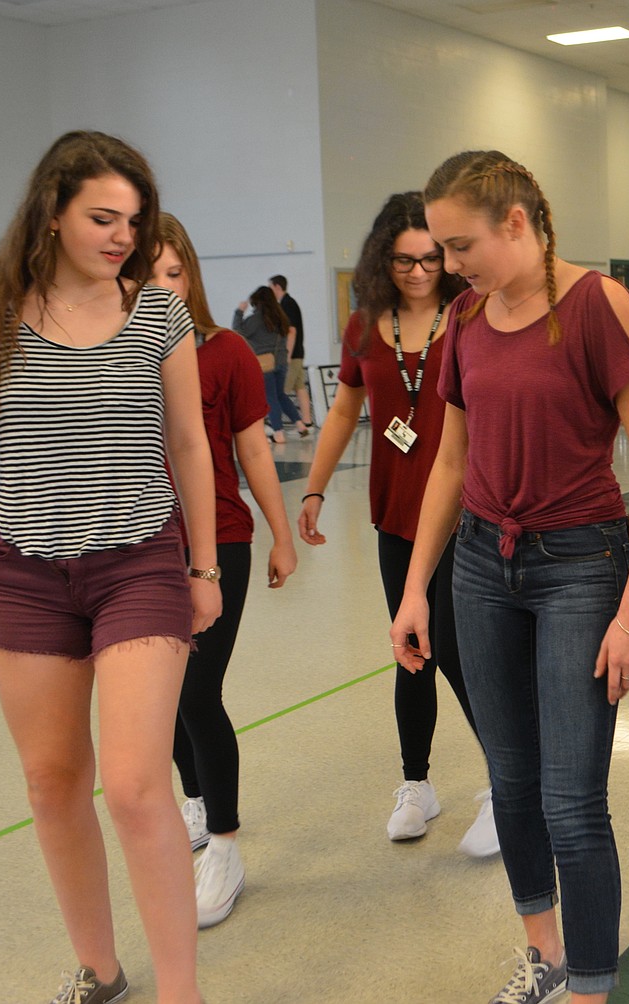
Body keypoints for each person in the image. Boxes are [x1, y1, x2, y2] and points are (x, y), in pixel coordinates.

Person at [0, 131, 221, 1004]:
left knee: (138, 786)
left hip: (139, 566)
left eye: (132, 219)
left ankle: (180, 993)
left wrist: (205, 566)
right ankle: (102, 969)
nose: (122, 235)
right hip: (29, 575)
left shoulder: (159, 312)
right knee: (52, 783)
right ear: (52, 214)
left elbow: (189, 443)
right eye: (101, 218)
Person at [391, 150, 629, 1003]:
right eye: (440, 249)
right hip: (482, 566)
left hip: (579, 567)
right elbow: (448, 464)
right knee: (511, 781)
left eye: (460, 244)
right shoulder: (467, 320)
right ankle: (544, 956)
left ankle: (591, 989)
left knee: (572, 801)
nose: (449, 266)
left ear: (516, 222)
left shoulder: (598, 306)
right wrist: (417, 588)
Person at [298, 192, 499, 856]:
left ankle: (508, 784)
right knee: (411, 650)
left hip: (466, 514)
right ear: (383, 259)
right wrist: (316, 490)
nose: (417, 272)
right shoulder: (365, 327)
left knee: (460, 651)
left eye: (429, 258)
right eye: (403, 260)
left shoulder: (470, 314)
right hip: (395, 518)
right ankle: (417, 784)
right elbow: (342, 413)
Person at [150, 213, 298, 928]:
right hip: (140, 551)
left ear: (192, 276)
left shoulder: (226, 351)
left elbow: (254, 451)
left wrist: (280, 535)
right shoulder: (116, 354)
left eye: (172, 273)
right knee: (166, 697)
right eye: (143, 273)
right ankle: (198, 802)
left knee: (199, 690)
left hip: (219, 546)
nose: (159, 287)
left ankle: (228, 846)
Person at [233, 286, 309, 443]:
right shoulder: (280, 317)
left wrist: (239, 311)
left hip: (264, 363)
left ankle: (278, 433)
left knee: (271, 398)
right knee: (281, 395)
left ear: (258, 302)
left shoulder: (255, 319)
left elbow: (238, 331)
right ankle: (300, 424)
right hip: (281, 362)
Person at [269, 274, 313, 427]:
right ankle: (307, 421)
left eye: (271, 288)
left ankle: (278, 424)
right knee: (299, 387)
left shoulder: (287, 304)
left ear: (277, 287)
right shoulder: (288, 303)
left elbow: (291, 331)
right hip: (297, 353)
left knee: (281, 391)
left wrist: (286, 355)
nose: (270, 292)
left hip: (292, 355)